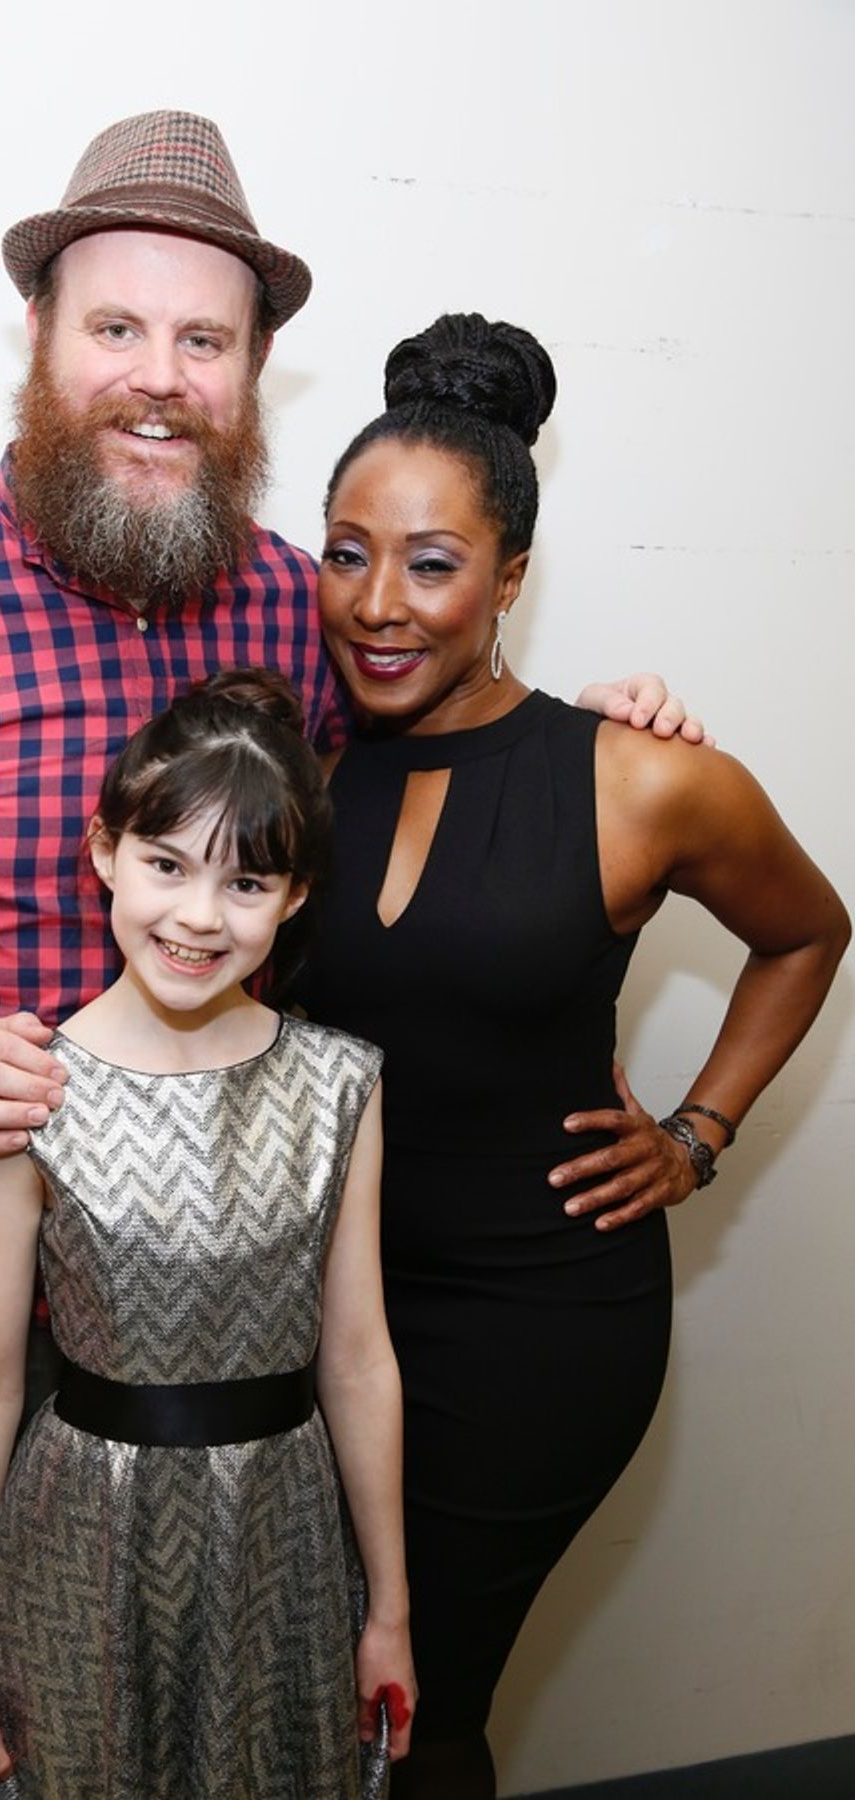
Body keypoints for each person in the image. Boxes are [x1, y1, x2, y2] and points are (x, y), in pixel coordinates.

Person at [0, 109, 693, 1796]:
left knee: (216, 1718)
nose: (159, 375)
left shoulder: (308, 607)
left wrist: (622, 736)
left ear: (255, 370)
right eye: (118, 327)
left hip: (234, 1309)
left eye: (203, 340)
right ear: (42, 337)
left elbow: (462, 724)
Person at [293, 311, 851, 1799]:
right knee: (314, 1683)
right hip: (323, 1318)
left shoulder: (638, 775)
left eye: (432, 562)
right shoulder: (303, 773)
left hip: (534, 1326)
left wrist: (698, 1131)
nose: (379, 603)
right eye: (346, 553)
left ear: (510, 580)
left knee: (416, 1705)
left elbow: (809, 932)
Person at [0, 670, 415, 1799]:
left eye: (246, 880)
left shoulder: (339, 1082)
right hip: (84, 1542)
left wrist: (387, 1609)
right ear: (104, 850)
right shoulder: (28, 1086)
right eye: (166, 864)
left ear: (293, 900)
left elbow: (357, 1355)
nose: (199, 916)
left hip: (280, 1537)